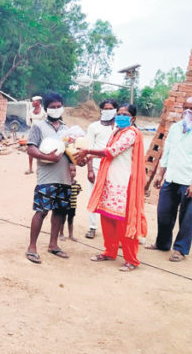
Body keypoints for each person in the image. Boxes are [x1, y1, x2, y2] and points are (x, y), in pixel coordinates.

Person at [75, 104, 147, 272]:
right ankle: (109, 251)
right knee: (107, 218)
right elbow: (108, 152)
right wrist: (90, 155)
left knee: (124, 222)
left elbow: (113, 151)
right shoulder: (116, 132)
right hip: (110, 182)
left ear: (133, 118)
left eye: (125, 114)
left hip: (124, 183)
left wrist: (88, 151)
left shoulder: (131, 134)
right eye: (119, 113)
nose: (121, 116)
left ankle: (131, 259)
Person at [146, 96, 192, 262]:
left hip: (189, 182)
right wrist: (161, 174)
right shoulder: (176, 128)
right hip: (171, 178)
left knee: (186, 218)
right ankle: (162, 243)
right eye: (186, 107)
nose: (188, 111)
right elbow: (167, 151)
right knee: (164, 213)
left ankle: (180, 249)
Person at [25, 92, 73, 264]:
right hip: (46, 176)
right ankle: (32, 247)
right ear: (46, 109)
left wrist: (77, 162)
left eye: (58, 106)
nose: (56, 109)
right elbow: (31, 148)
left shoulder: (67, 129)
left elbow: (71, 152)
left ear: (63, 107)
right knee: (41, 211)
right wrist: (48, 157)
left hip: (65, 177)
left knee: (60, 212)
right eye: (52, 107)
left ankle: (53, 245)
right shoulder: (38, 126)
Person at [84, 99, 118, 239]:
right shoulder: (94, 127)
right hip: (97, 167)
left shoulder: (119, 127)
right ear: (101, 110)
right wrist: (90, 170)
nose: (108, 111)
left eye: (111, 108)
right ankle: (92, 227)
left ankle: (113, 229)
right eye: (105, 108)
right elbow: (89, 149)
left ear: (116, 110)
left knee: (113, 198)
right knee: (94, 196)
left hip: (115, 168)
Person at [25, 95, 47, 175]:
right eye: (33, 101)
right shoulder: (31, 111)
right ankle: (30, 168)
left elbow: (46, 122)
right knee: (31, 150)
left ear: (38, 102)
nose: (33, 103)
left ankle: (40, 169)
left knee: (41, 150)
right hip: (33, 132)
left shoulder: (43, 111)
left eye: (34, 101)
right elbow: (29, 121)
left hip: (41, 132)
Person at [60, 175, 81, 242]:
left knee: (71, 220)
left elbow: (78, 192)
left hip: (72, 205)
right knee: (62, 219)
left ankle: (71, 235)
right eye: (70, 171)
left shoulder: (77, 184)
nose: (72, 172)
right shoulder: (63, 183)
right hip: (64, 205)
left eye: (74, 171)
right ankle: (61, 234)